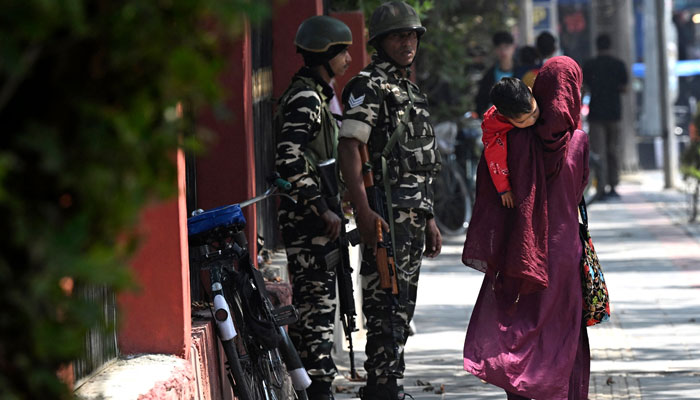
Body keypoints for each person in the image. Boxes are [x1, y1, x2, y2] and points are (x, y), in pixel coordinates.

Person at [462, 56, 591, 399]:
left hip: (520, 253)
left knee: (519, 329)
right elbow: (579, 190)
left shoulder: (511, 139)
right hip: (564, 254)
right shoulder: (577, 141)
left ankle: (521, 392)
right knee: (562, 331)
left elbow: (488, 191)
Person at [337, 2, 442, 399]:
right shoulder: (371, 85)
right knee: (386, 304)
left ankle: (390, 383)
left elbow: (416, 160)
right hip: (384, 214)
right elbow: (350, 145)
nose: (408, 42)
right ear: (381, 42)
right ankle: (382, 387)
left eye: (412, 35)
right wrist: (362, 211)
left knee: (403, 306)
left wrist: (429, 217)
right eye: (399, 35)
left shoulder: (409, 88)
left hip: (413, 215)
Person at [274, 15, 352, 400]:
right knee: (317, 315)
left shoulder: (317, 95)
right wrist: (322, 207)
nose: (349, 58)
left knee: (312, 318)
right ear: (325, 54)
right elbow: (287, 158)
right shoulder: (307, 98)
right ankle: (319, 391)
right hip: (309, 225)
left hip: (316, 223)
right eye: (343, 52)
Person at [480, 77, 540, 208]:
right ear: (504, 116)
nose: (532, 121)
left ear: (530, 92)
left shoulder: (538, 96)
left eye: (534, 113)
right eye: (522, 122)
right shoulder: (495, 128)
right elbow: (495, 159)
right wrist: (504, 189)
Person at [583, 33, 628, 199]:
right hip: (614, 113)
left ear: (597, 47)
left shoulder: (590, 65)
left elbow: (584, 88)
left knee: (598, 152)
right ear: (610, 46)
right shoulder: (618, 65)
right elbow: (624, 88)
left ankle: (600, 187)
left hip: (596, 113)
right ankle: (613, 185)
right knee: (613, 150)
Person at [475, 31, 517, 117]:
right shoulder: (488, 76)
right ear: (495, 50)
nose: (503, 51)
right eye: (499, 47)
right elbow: (481, 102)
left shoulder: (522, 72)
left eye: (506, 47)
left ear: (513, 48)